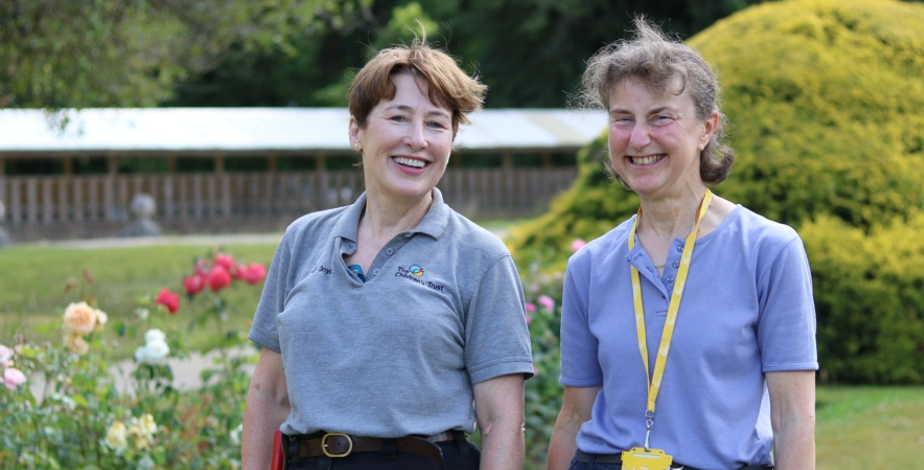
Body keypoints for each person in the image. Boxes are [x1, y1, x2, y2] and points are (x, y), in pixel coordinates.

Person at [242, 37, 533, 470]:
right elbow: (269, 393)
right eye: (399, 117)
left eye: (436, 124)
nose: (417, 140)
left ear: (452, 139)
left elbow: (501, 421)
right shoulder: (302, 239)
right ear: (356, 131)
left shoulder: (481, 257)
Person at [547, 19, 817, 470]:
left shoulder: (769, 250)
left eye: (661, 117)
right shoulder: (589, 265)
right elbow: (574, 416)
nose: (638, 139)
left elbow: (794, 419)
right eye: (623, 119)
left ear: (706, 128)